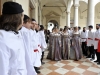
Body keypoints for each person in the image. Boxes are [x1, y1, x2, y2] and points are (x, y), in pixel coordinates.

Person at [0, 1, 36, 75]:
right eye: (22, 18)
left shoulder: (17, 34)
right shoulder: (2, 38)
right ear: (17, 18)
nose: (22, 22)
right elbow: (2, 70)